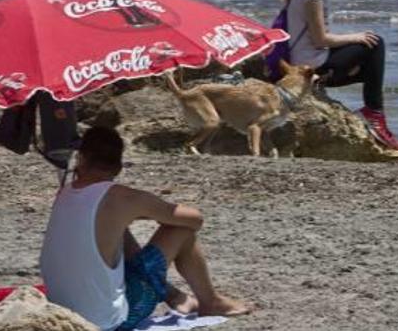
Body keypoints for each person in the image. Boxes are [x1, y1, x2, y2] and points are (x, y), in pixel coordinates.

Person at [39, 126, 250, 330]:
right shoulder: (122, 197)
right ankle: (211, 301)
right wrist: (148, 214)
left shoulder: (65, 193)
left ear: (81, 159)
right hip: (109, 322)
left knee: (119, 233)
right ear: (118, 167)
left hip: (64, 316)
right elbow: (195, 220)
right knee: (181, 231)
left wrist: (133, 216)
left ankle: (176, 297)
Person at [281, 0, 398, 150]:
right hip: (310, 69)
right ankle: (374, 114)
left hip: (309, 62)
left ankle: (373, 114)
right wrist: (355, 37)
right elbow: (321, 39)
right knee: (374, 43)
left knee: (370, 69)